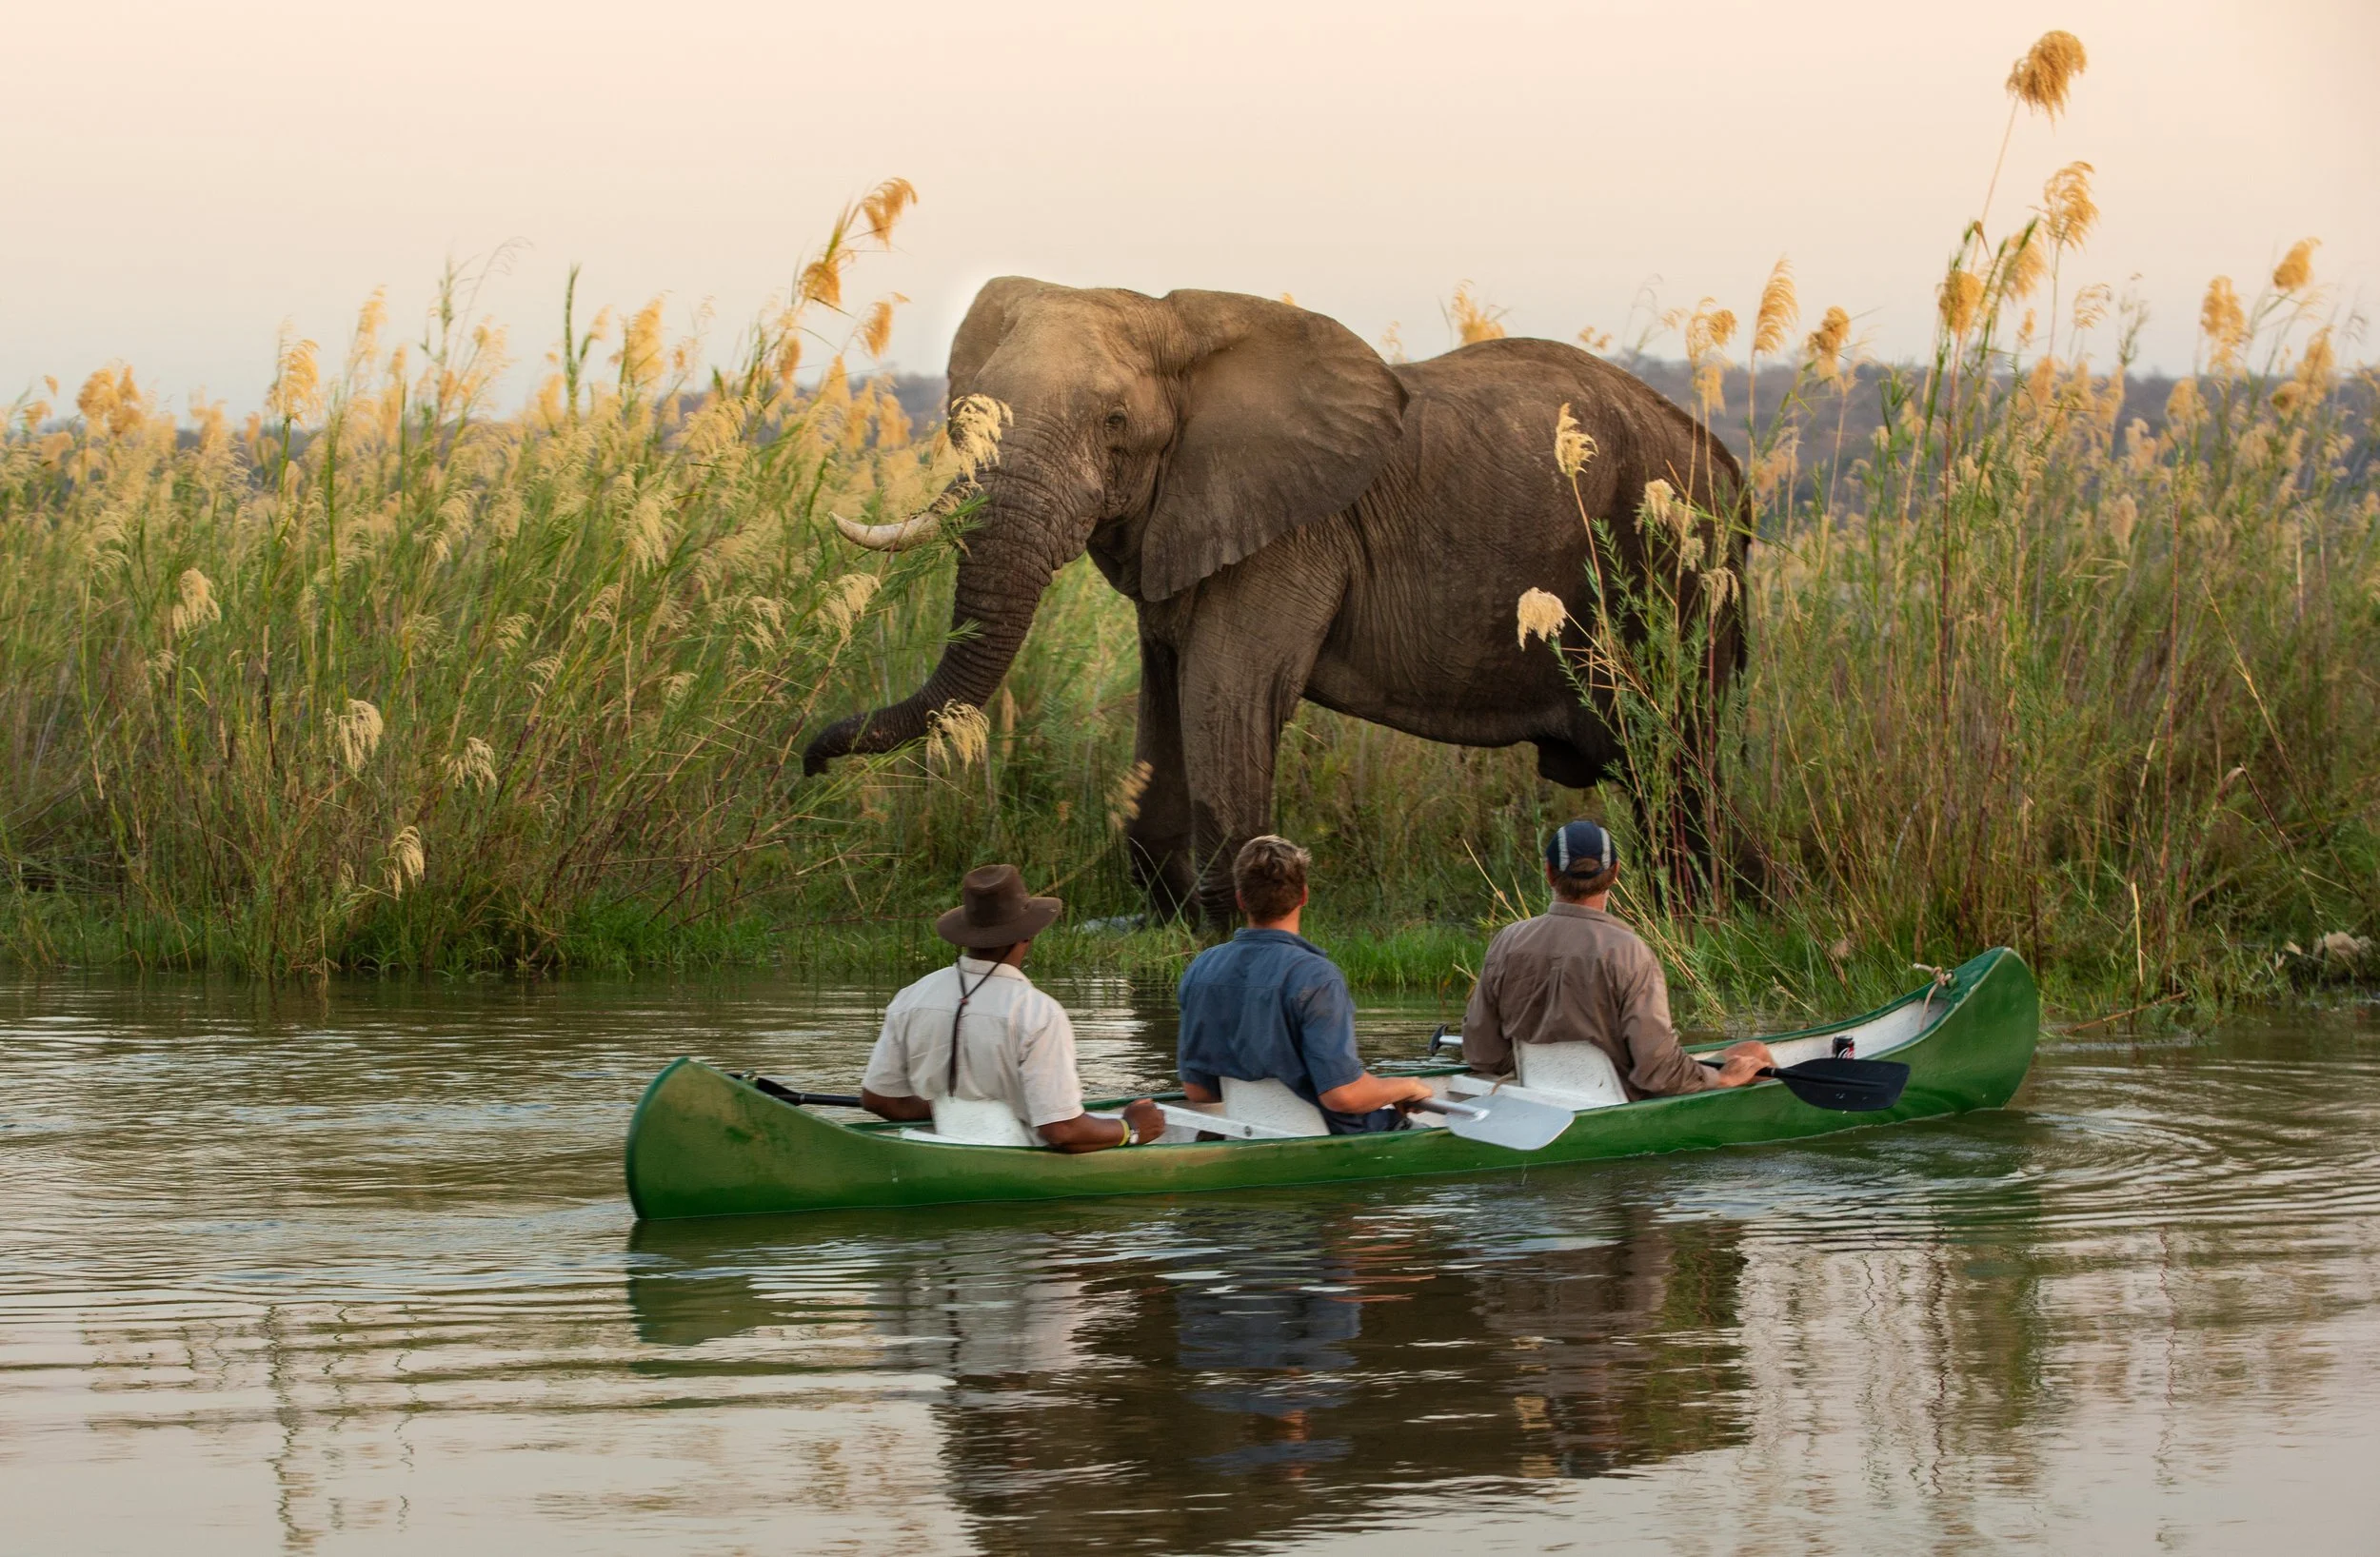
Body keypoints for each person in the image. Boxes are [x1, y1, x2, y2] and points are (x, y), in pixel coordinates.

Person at [862, 864, 1163, 1151]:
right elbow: (1062, 1132)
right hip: (1017, 1150)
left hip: (941, 1144)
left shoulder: (912, 996)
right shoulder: (1038, 1013)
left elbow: (881, 1100)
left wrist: (953, 1110)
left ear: (965, 932)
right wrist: (1131, 1129)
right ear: (1028, 934)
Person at [1463, 820, 1773, 1095]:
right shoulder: (1630, 952)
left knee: (1747, 1052)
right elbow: (1659, 1073)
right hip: (1615, 1096)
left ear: (1548, 872)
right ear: (1615, 874)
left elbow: (1482, 1054)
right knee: (1755, 1051)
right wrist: (1724, 1079)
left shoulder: (1507, 940)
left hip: (1534, 1092)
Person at [1176, 835, 1433, 1133]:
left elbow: (1198, 1091)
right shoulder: (1318, 977)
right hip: (1327, 1132)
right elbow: (1343, 1095)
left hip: (1239, 1132)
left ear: (1240, 899)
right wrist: (1406, 1087)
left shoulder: (1201, 968)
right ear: (1304, 896)